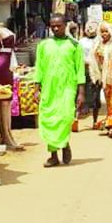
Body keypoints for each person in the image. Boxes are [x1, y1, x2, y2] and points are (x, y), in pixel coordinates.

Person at [33, 14, 84, 167]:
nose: (55, 28)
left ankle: (65, 143)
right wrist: (36, 88)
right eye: (53, 25)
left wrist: (81, 92)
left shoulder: (75, 45)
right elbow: (39, 68)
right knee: (50, 120)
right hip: (49, 88)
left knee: (65, 117)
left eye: (59, 25)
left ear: (65, 25)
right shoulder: (43, 45)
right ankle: (53, 155)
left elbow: (80, 69)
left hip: (68, 88)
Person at [79, 22, 102, 128]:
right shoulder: (99, 41)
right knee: (93, 93)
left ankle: (93, 118)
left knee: (91, 92)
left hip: (90, 70)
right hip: (91, 70)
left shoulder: (82, 42)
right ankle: (93, 120)